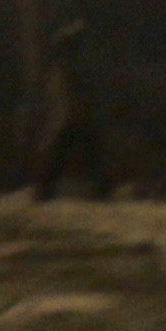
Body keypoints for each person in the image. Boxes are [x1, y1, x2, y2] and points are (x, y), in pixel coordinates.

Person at [27, 19, 113, 201]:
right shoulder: (69, 67)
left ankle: (44, 191)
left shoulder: (61, 67)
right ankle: (102, 190)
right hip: (74, 116)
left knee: (67, 154)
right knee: (84, 154)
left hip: (70, 116)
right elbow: (73, 92)